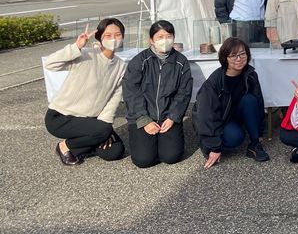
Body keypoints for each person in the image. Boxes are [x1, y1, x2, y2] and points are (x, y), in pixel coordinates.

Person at [44, 19, 127, 166]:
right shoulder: (85, 54)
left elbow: (114, 97)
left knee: (115, 151)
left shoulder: (121, 65)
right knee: (103, 130)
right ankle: (64, 146)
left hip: (90, 120)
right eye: (108, 35)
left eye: (117, 34)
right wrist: (76, 47)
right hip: (61, 117)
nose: (113, 39)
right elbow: (50, 64)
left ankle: (88, 141)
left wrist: (103, 126)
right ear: (99, 37)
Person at [123, 20, 193, 168]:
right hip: (143, 116)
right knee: (143, 160)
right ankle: (150, 143)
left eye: (168, 36)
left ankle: (162, 142)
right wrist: (144, 120)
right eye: (160, 37)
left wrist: (173, 117)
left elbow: (184, 92)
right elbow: (131, 91)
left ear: (173, 38)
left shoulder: (181, 61)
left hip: (168, 117)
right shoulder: (140, 61)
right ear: (151, 40)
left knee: (171, 156)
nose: (165, 40)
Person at [193, 37, 269, 168]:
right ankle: (221, 139)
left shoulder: (250, 74)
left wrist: (260, 131)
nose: (239, 59)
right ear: (225, 58)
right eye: (233, 55)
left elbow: (259, 101)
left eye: (242, 54)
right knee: (234, 138)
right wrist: (214, 147)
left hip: (235, 114)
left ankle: (255, 144)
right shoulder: (214, 82)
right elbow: (205, 115)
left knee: (250, 100)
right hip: (219, 119)